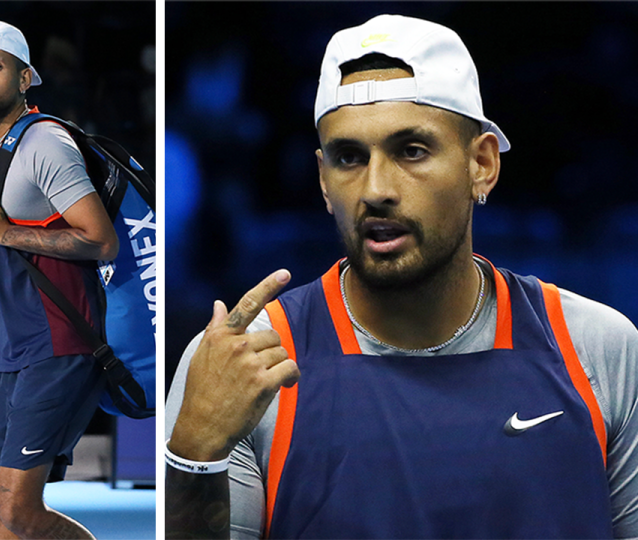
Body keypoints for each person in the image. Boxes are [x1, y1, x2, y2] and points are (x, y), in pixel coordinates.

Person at [165, 14, 638, 539]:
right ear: (323, 180)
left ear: (481, 163)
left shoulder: (600, 348)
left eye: (411, 150)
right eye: (349, 157)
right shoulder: (246, 365)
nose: (376, 189)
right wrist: (195, 456)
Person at [0, 20, 118, 540]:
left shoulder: (47, 144)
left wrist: (7, 232)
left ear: (25, 78)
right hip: (7, 357)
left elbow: (101, 241)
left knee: (17, 510)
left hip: (60, 347)